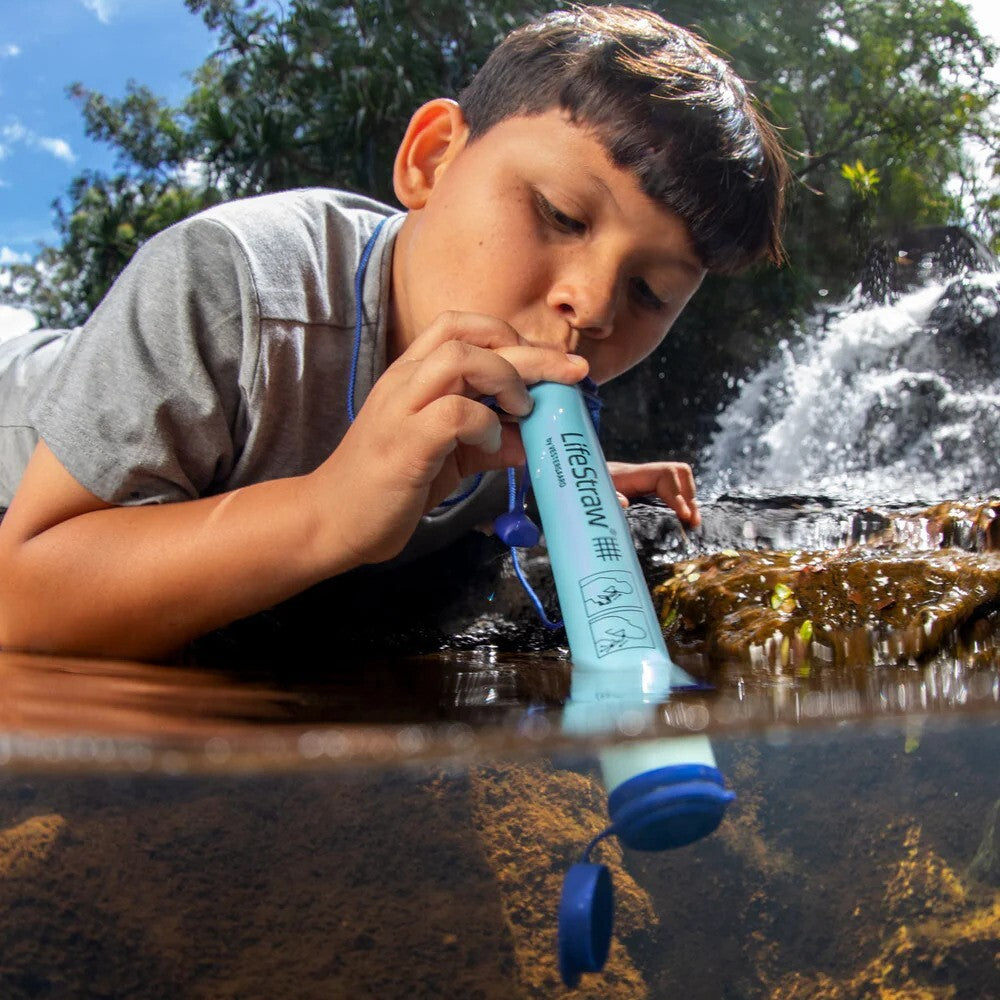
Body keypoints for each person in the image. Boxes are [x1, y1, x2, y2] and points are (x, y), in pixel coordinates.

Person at [0, 5, 787, 661]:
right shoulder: (235, 289)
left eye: (649, 292)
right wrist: (324, 513)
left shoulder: (526, 380)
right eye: (560, 215)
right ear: (433, 159)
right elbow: (20, 604)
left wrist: (572, 481)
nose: (593, 305)